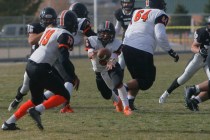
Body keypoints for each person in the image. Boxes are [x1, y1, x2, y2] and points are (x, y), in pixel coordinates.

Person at [2, 10, 79, 130]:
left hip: (30, 65)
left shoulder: (50, 29)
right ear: (71, 23)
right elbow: (64, 60)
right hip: (41, 67)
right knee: (64, 95)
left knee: (36, 99)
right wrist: (73, 75)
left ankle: (8, 123)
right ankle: (37, 110)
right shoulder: (65, 34)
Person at [122, 0, 179, 110]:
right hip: (142, 49)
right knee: (146, 81)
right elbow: (160, 35)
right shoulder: (159, 13)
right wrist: (171, 51)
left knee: (137, 79)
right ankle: (122, 88)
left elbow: (128, 31)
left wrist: (123, 48)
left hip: (127, 47)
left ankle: (129, 103)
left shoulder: (136, 12)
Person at [41, 2, 97, 113]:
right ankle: (65, 105)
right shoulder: (81, 22)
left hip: (50, 54)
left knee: (62, 83)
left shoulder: (62, 23)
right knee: (70, 80)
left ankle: (38, 100)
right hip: (57, 54)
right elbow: (93, 36)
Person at [8, 7, 58, 112]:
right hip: (34, 63)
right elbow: (32, 40)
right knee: (25, 87)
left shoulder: (57, 30)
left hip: (49, 62)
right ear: (41, 19)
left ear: (55, 20)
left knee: (59, 83)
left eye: (51, 19)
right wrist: (48, 31)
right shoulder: (36, 27)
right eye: (46, 19)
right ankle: (17, 99)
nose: (48, 21)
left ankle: (43, 101)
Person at [85, 21, 132, 116]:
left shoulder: (117, 43)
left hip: (111, 66)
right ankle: (118, 101)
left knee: (118, 83)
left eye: (108, 33)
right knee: (106, 94)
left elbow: (114, 56)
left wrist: (111, 61)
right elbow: (90, 54)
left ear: (112, 34)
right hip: (99, 71)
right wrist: (97, 52)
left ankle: (126, 107)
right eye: (103, 33)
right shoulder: (92, 40)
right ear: (99, 33)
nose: (106, 35)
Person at [159, 16, 210, 104]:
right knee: (183, 78)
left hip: (209, 60)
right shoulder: (202, 32)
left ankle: (195, 97)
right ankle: (166, 93)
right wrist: (200, 50)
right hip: (198, 59)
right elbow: (193, 47)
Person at [114, 0, 138, 81]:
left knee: (136, 63)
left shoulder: (137, 12)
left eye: (129, 2)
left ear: (133, 3)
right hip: (126, 39)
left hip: (137, 39)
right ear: (122, 3)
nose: (127, 4)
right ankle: (119, 84)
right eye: (125, 2)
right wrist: (112, 38)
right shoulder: (119, 13)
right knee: (121, 62)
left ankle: (137, 82)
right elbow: (117, 28)